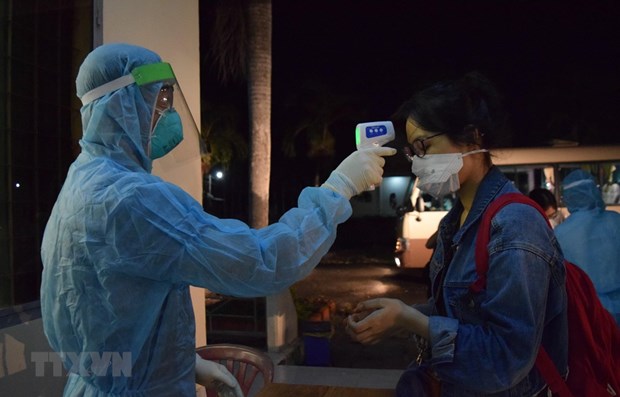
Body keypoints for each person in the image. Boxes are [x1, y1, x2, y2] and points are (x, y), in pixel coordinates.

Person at [40, 43, 396, 397]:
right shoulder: (133, 198)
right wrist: (339, 188)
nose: (167, 112)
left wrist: (188, 364)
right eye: (160, 99)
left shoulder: (81, 181)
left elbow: (104, 318)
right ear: (122, 105)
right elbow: (263, 261)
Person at [345, 72, 568, 396]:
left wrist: (411, 319)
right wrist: (396, 316)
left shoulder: (515, 226)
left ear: (472, 138)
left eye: (424, 146)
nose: (417, 162)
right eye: (412, 152)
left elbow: (506, 359)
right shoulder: (455, 221)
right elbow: (458, 314)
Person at [554, 169, 620, 324]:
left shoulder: (560, 233)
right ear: (594, 191)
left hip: (586, 313)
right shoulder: (615, 221)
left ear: (568, 197)